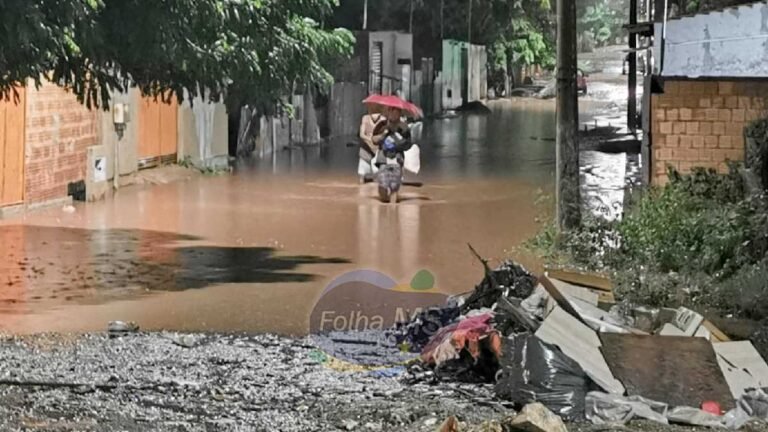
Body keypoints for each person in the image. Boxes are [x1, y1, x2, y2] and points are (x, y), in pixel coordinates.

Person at [358, 105, 386, 183]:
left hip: (377, 148)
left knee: (377, 172)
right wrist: (370, 139)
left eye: (377, 112)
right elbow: (361, 134)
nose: (375, 115)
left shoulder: (383, 120)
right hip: (366, 147)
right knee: (363, 172)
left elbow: (385, 134)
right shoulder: (365, 118)